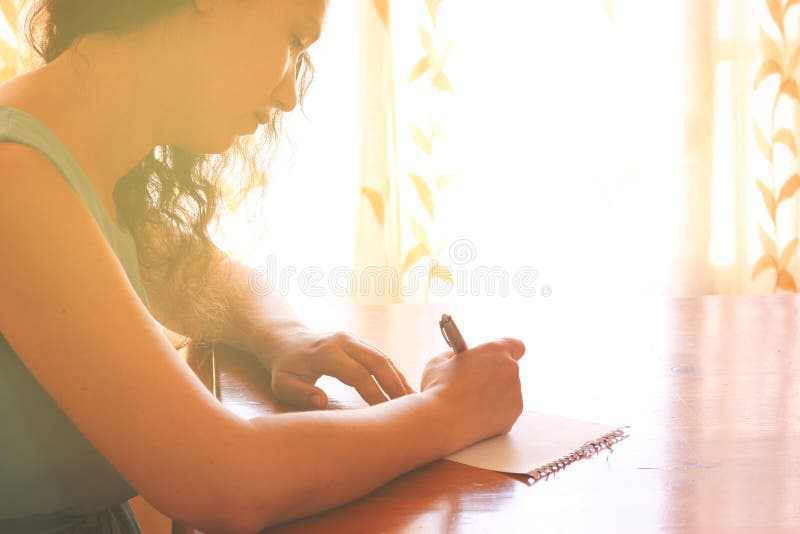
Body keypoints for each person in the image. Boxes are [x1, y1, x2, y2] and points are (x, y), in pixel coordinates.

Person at [0, 1, 526, 532]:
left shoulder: (76, 158)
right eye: (295, 38)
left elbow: (194, 270)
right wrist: (450, 411)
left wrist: (281, 332)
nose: (289, 95)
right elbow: (226, 480)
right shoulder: (14, 179)